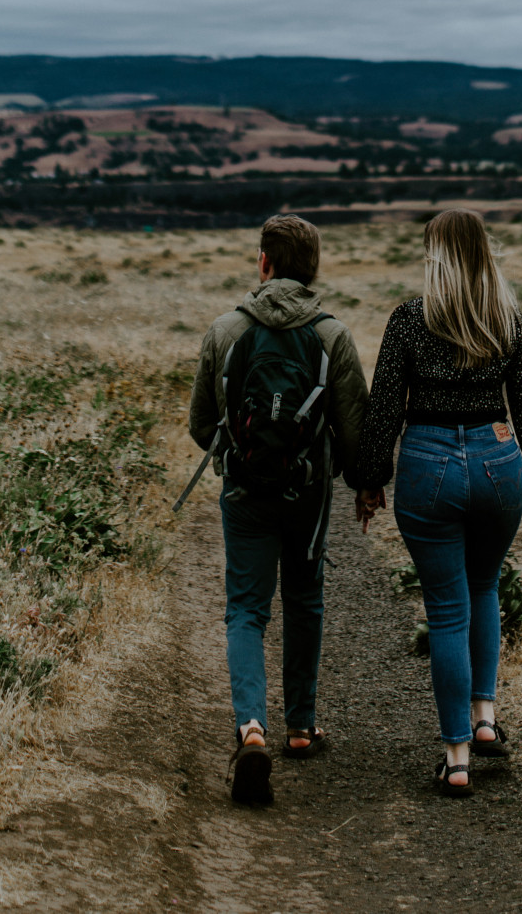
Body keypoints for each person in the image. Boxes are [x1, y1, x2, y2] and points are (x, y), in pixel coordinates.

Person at [353, 207, 522, 797]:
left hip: (427, 467)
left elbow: (384, 407)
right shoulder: (508, 322)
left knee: (447, 609)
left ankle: (456, 757)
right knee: (485, 589)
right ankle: (485, 717)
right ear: (483, 253)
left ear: (436, 256)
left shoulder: (407, 320)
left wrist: (370, 479)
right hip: (498, 466)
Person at [188, 213, 368, 805]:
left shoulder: (223, 331)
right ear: (312, 269)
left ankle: (250, 726)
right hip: (308, 495)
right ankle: (299, 725)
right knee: (304, 597)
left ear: (263, 263)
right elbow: (353, 434)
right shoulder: (332, 336)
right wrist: (362, 483)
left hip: (243, 492)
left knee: (245, 608)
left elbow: (199, 427)